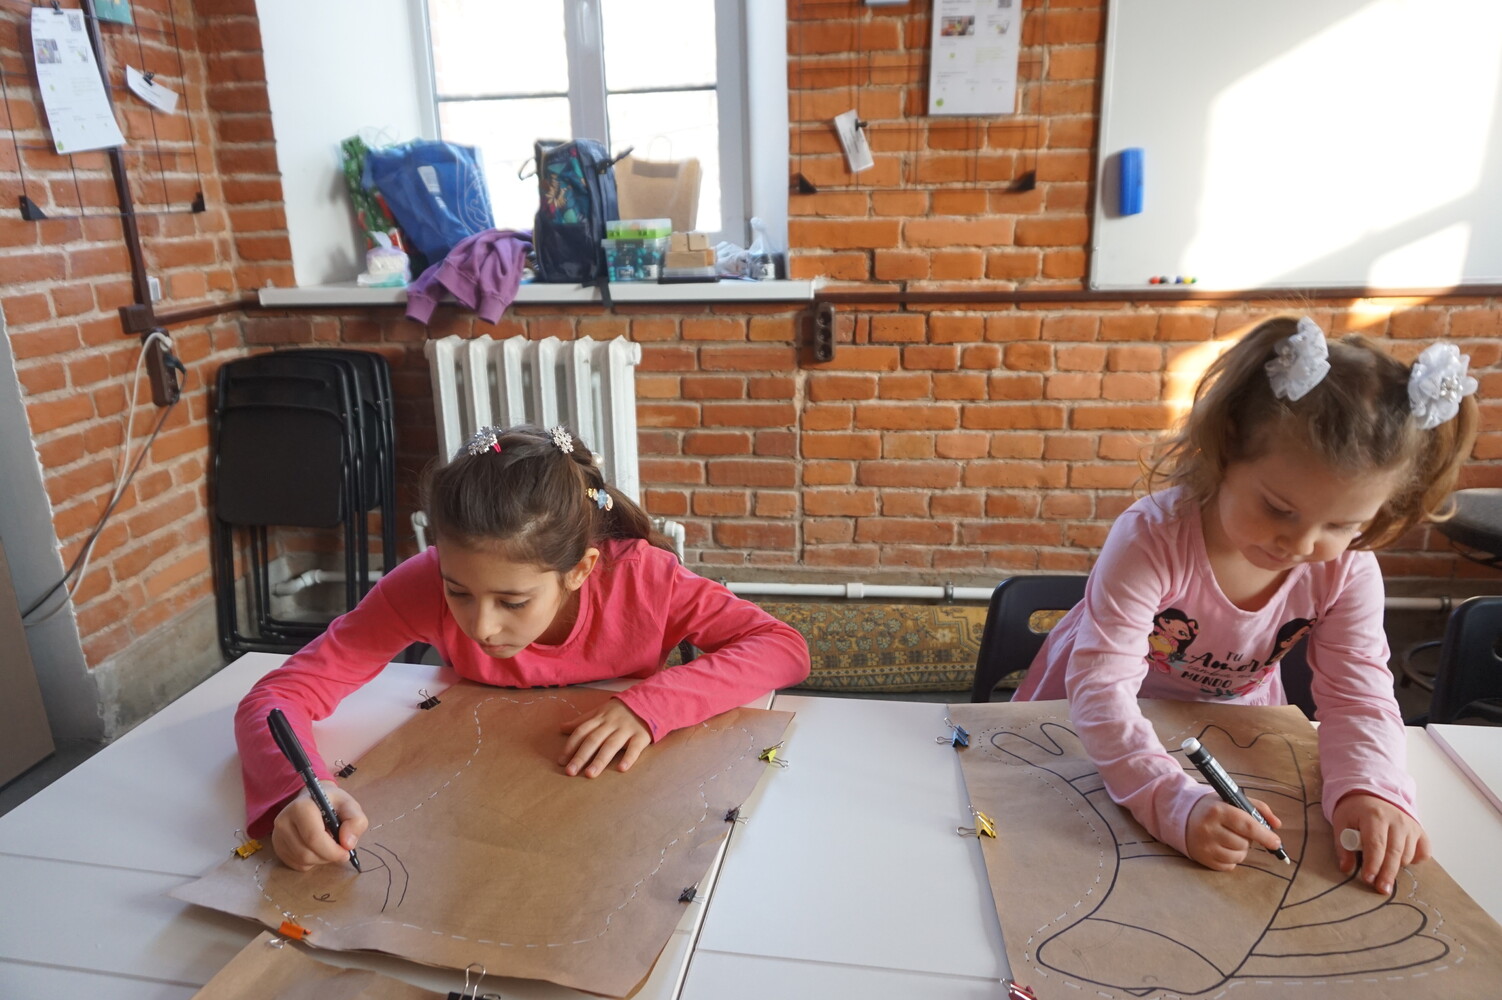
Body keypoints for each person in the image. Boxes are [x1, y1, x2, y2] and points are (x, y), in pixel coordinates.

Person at [1013, 315, 1479, 895]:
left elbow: (1359, 694)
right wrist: (1169, 799)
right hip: (1089, 719)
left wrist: (1370, 787)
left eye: (1343, 524)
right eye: (1279, 509)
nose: (1301, 545)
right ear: (1226, 447)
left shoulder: (1350, 568)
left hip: (1231, 722)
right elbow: (1101, 690)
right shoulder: (1150, 538)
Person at [236, 423, 811, 871]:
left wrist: (652, 704)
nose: (481, 626)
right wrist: (301, 787)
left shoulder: (644, 579)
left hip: (626, 810)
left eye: (512, 602)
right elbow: (279, 696)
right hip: (479, 806)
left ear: (580, 570)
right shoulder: (421, 582)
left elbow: (782, 646)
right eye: (458, 592)